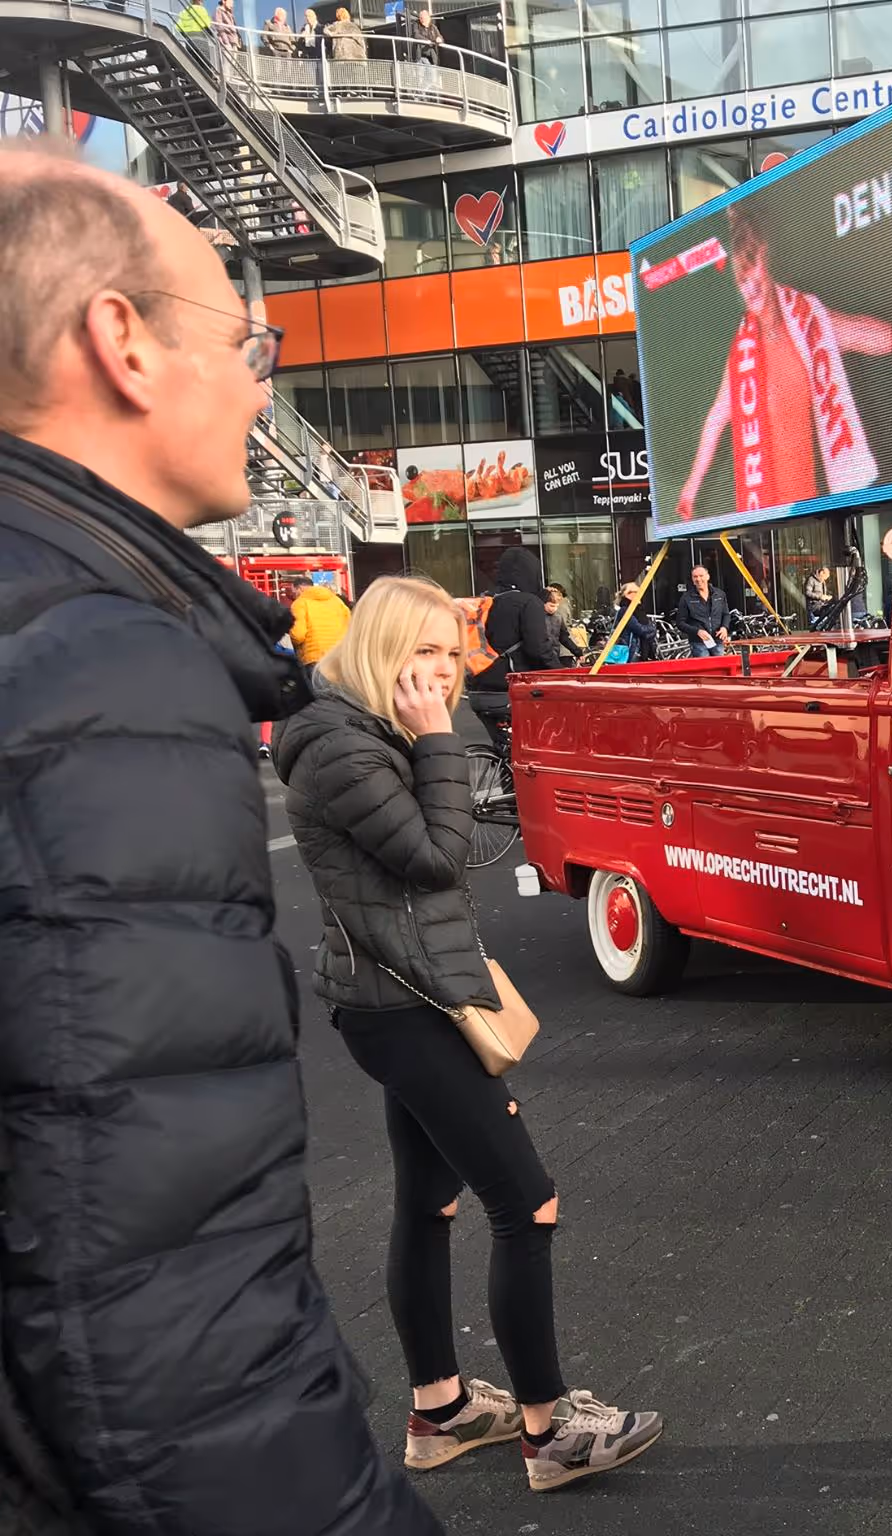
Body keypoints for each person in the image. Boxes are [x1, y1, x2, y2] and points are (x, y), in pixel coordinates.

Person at [0, 142, 439, 1532]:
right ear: (119, 342)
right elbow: (154, 1295)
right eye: (246, 337)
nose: (264, 383)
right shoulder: (97, 668)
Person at [274, 578, 664, 1494]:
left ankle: (442, 1412)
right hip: (408, 1010)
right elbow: (439, 858)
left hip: (405, 997)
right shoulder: (342, 748)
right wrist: (442, 741)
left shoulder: (372, 735)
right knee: (527, 1203)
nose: (440, 674)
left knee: (429, 1202)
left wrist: (433, 738)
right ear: (377, 651)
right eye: (422, 654)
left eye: (451, 655)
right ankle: (549, 1431)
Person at [672, 205, 892, 522]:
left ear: (767, 261)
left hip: (812, 505)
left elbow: (854, 332)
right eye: (741, 279)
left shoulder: (807, 324)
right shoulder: (742, 355)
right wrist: (690, 490)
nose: (750, 285)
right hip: (765, 509)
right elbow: (717, 417)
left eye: (753, 267)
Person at [467, 545, 559, 753]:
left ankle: (506, 778)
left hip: (477, 690)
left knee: (505, 751)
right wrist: (561, 671)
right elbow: (539, 649)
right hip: (509, 691)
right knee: (541, 744)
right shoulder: (528, 602)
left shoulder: (484, 601)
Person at [287, 573, 352, 665]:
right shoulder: (337, 601)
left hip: (315, 657)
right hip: (340, 654)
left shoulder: (299, 603)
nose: (294, 595)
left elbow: (298, 635)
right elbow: (350, 626)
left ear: (300, 588)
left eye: (294, 591)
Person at [676, 563, 731, 656]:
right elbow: (680, 623)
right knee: (706, 669)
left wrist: (724, 628)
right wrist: (697, 632)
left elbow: (726, 614)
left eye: (701, 576)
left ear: (708, 576)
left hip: (717, 640)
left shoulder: (720, 594)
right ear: (692, 580)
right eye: (695, 577)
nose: (698, 579)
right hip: (698, 643)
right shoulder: (686, 598)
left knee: (720, 668)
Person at [605, 580, 656, 663]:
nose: (638, 594)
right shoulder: (625, 610)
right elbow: (639, 629)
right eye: (634, 592)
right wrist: (651, 630)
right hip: (631, 652)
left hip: (642, 651)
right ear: (626, 594)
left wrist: (650, 630)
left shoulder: (639, 610)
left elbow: (648, 628)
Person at [542, 581, 576, 665]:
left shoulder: (557, 615)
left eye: (556, 606)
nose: (554, 609)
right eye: (552, 606)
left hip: (558, 652)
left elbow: (563, 635)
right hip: (557, 652)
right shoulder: (560, 610)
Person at [804, 564, 833, 630]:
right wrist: (820, 597)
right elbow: (807, 593)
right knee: (815, 626)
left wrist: (826, 597)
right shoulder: (811, 580)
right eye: (824, 577)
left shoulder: (822, 582)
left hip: (821, 607)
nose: (824, 579)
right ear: (821, 573)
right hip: (813, 607)